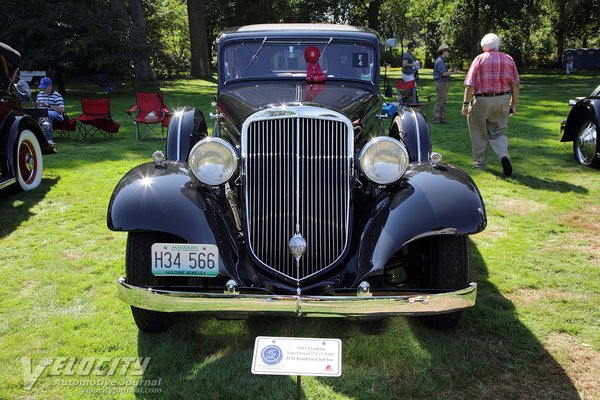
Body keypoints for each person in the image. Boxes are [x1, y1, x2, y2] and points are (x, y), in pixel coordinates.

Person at [462, 33, 520, 176]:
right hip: (503, 99)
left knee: (478, 132)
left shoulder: (479, 59)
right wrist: (514, 102)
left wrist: (465, 104)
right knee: (499, 131)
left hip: (482, 99)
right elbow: (516, 83)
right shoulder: (508, 59)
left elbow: (470, 85)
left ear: (483, 47)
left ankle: (480, 163)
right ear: (497, 45)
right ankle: (503, 156)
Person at [432, 44, 459, 124]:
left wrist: (451, 71)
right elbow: (443, 73)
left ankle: (440, 118)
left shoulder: (442, 61)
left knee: (443, 101)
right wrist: (453, 72)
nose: (448, 53)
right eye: (447, 51)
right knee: (440, 101)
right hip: (441, 83)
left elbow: (444, 72)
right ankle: (436, 119)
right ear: (443, 51)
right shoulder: (440, 61)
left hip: (443, 83)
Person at [35, 77, 64, 146]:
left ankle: (48, 140)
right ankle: (37, 137)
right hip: (41, 113)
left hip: (56, 114)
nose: (43, 89)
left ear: (50, 86)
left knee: (46, 113)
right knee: (32, 114)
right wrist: (36, 104)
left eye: (45, 87)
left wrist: (49, 105)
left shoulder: (57, 95)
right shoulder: (39, 94)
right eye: (42, 87)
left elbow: (62, 109)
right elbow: (37, 107)